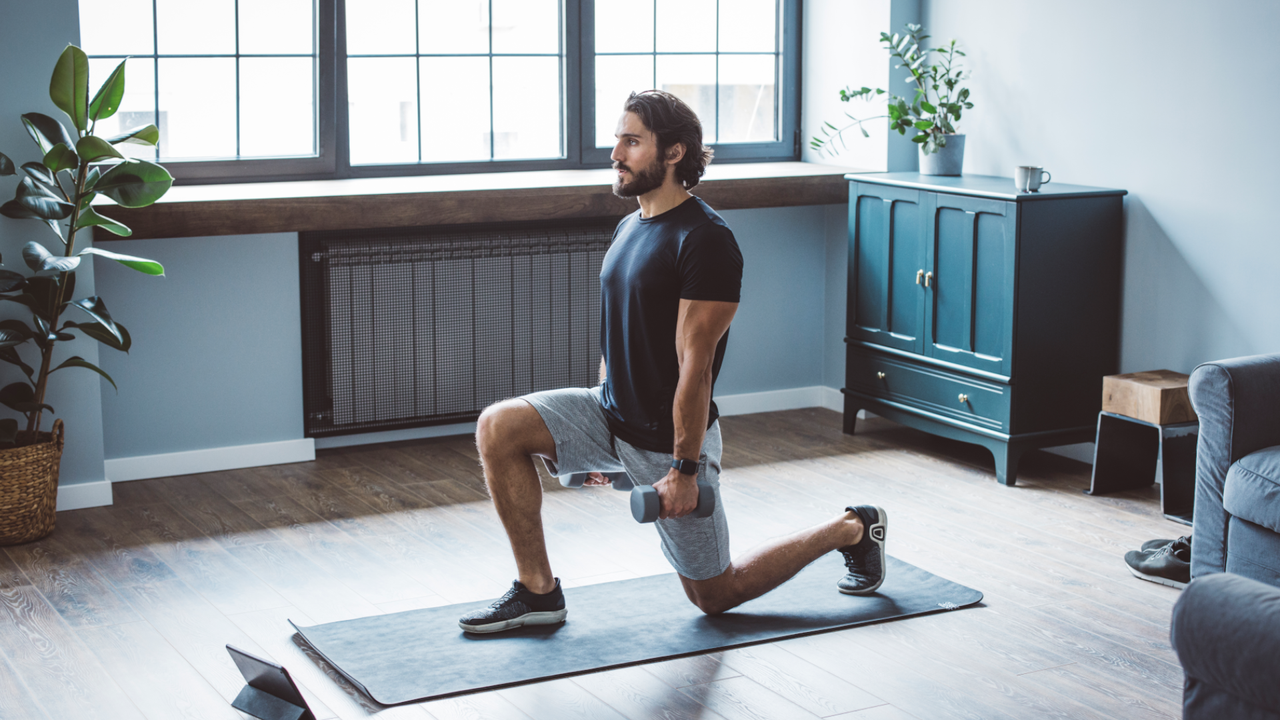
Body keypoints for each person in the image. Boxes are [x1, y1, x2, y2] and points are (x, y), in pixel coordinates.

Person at [460, 90, 888, 634]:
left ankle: (851, 528)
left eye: (632, 141)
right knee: (499, 426)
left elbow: (696, 369)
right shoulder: (631, 226)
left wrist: (683, 470)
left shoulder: (705, 240)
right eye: (618, 138)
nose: (616, 152)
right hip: (611, 413)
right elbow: (618, 340)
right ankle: (538, 592)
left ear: (673, 153)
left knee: (715, 595)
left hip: (669, 441)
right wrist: (597, 434)